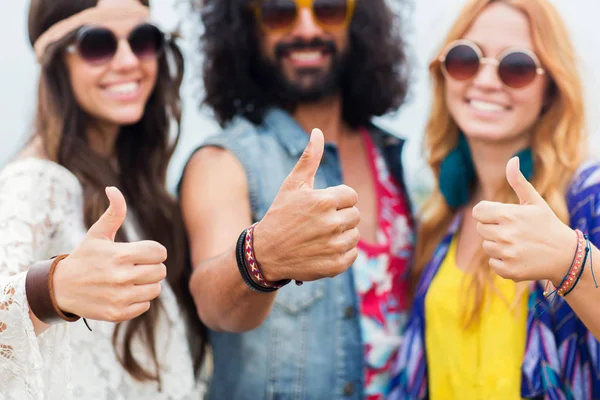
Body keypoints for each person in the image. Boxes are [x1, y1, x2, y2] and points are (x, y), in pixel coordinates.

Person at [179, 0, 413, 398]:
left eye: (329, 9)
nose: (307, 29)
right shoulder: (223, 161)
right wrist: (262, 257)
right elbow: (212, 303)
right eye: (279, 12)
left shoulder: (388, 153)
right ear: (246, 30)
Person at [390, 0, 600, 398]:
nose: (486, 81)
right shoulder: (440, 216)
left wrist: (570, 261)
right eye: (467, 58)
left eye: (515, 66)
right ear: (444, 75)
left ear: (550, 90)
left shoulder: (588, 196)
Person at [0, 0, 206, 398]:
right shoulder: (35, 181)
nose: (129, 61)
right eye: (98, 44)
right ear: (57, 63)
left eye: (144, 40)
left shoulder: (141, 187)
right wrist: (52, 290)